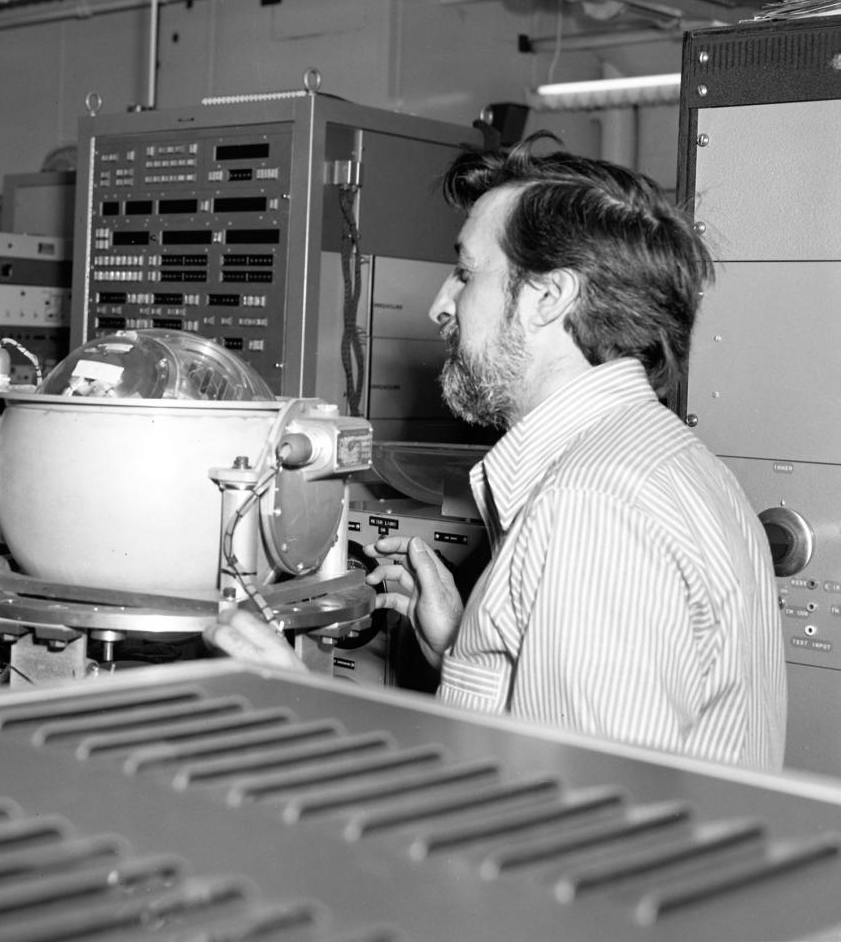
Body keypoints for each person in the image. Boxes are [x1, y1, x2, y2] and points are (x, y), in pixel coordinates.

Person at [210, 136, 786, 771]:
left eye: (465, 273)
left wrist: (306, 711)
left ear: (548, 297)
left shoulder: (593, 505)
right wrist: (461, 651)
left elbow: (571, 826)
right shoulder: (657, 459)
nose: (439, 306)